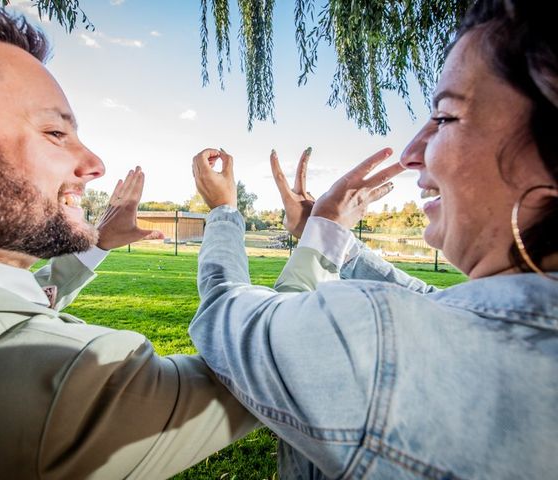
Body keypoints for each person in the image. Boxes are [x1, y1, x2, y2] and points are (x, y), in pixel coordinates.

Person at [190, 0, 558, 478]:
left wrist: (223, 210)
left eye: (445, 118)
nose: (410, 153)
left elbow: (226, 319)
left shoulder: (377, 339)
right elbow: (434, 299)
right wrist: (317, 231)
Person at [0, 1, 257, 478]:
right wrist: (298, 225)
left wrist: (98, 242)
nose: (95, 163)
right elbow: (266, 361)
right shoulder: (62, 380)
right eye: (55, 132)